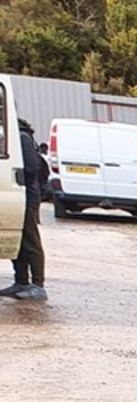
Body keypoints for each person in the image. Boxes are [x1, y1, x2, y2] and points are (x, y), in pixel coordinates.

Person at [4, 119, 49, 301]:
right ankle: (21, 280)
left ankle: (38, 284)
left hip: (27, 197)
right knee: (19, 241)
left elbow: (30, 168)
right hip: (23, 195)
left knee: (31, 241)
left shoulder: (22, 138)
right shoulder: (17, 137)